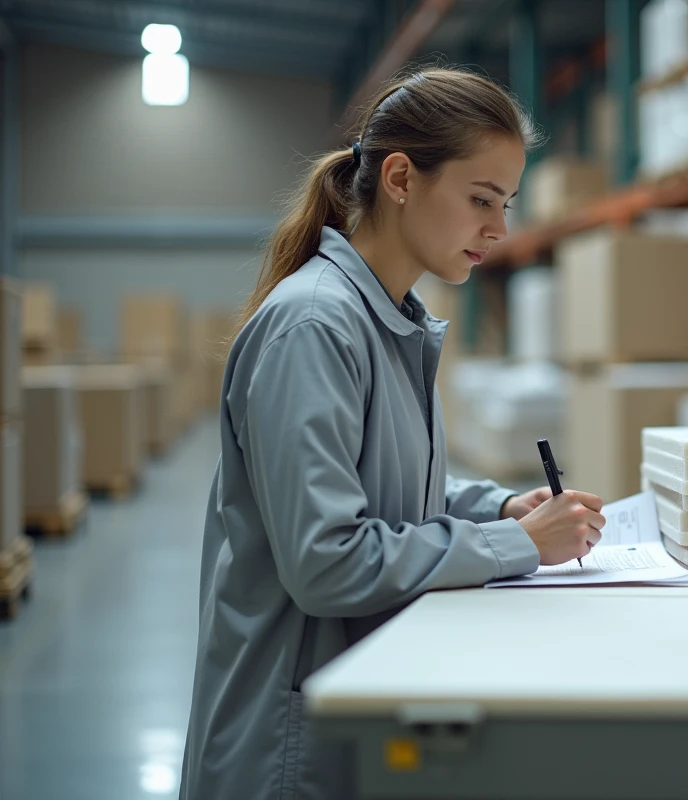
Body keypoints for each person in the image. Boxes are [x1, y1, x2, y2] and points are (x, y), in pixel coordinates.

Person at [179, 67, 606, 799]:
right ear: (401, 178)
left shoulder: (387, 319)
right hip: (288, 749)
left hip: (349, 709)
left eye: (505, 205)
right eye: (481, 200)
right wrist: (518, 546)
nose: (499, 229)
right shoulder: (316, 327)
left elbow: (389, 489)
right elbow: (327, 561)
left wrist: (500, 508)